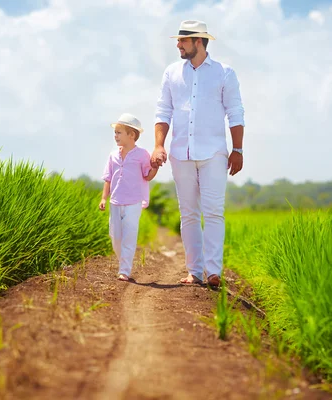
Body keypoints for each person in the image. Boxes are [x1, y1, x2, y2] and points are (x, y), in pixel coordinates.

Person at [151, 20, 245, 289]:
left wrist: (237, 149)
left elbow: (235, 113)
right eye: (179, 41)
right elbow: (163, 112)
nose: (178, 45)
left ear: (199, 42)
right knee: (189, 214)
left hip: (214, 153)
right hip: (181, 154)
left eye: (183, 41)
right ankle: (195, 271)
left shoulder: (224, 73)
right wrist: (159, 145)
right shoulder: (171, 73)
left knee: (214, 212)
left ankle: (213, 271)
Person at [99, 113, 158, 281]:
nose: (115, 136)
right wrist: (104, 198)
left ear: (131, 135)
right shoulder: (113, 156)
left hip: (134, 202)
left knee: (129, 235)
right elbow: (108, 178)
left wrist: (156, 167)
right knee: (115, 236)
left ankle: (124, 270)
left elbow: (147, 175)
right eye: (115, 132)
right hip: (115, 202)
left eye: (119, 132)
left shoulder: (142, 154)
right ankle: (123, 260)